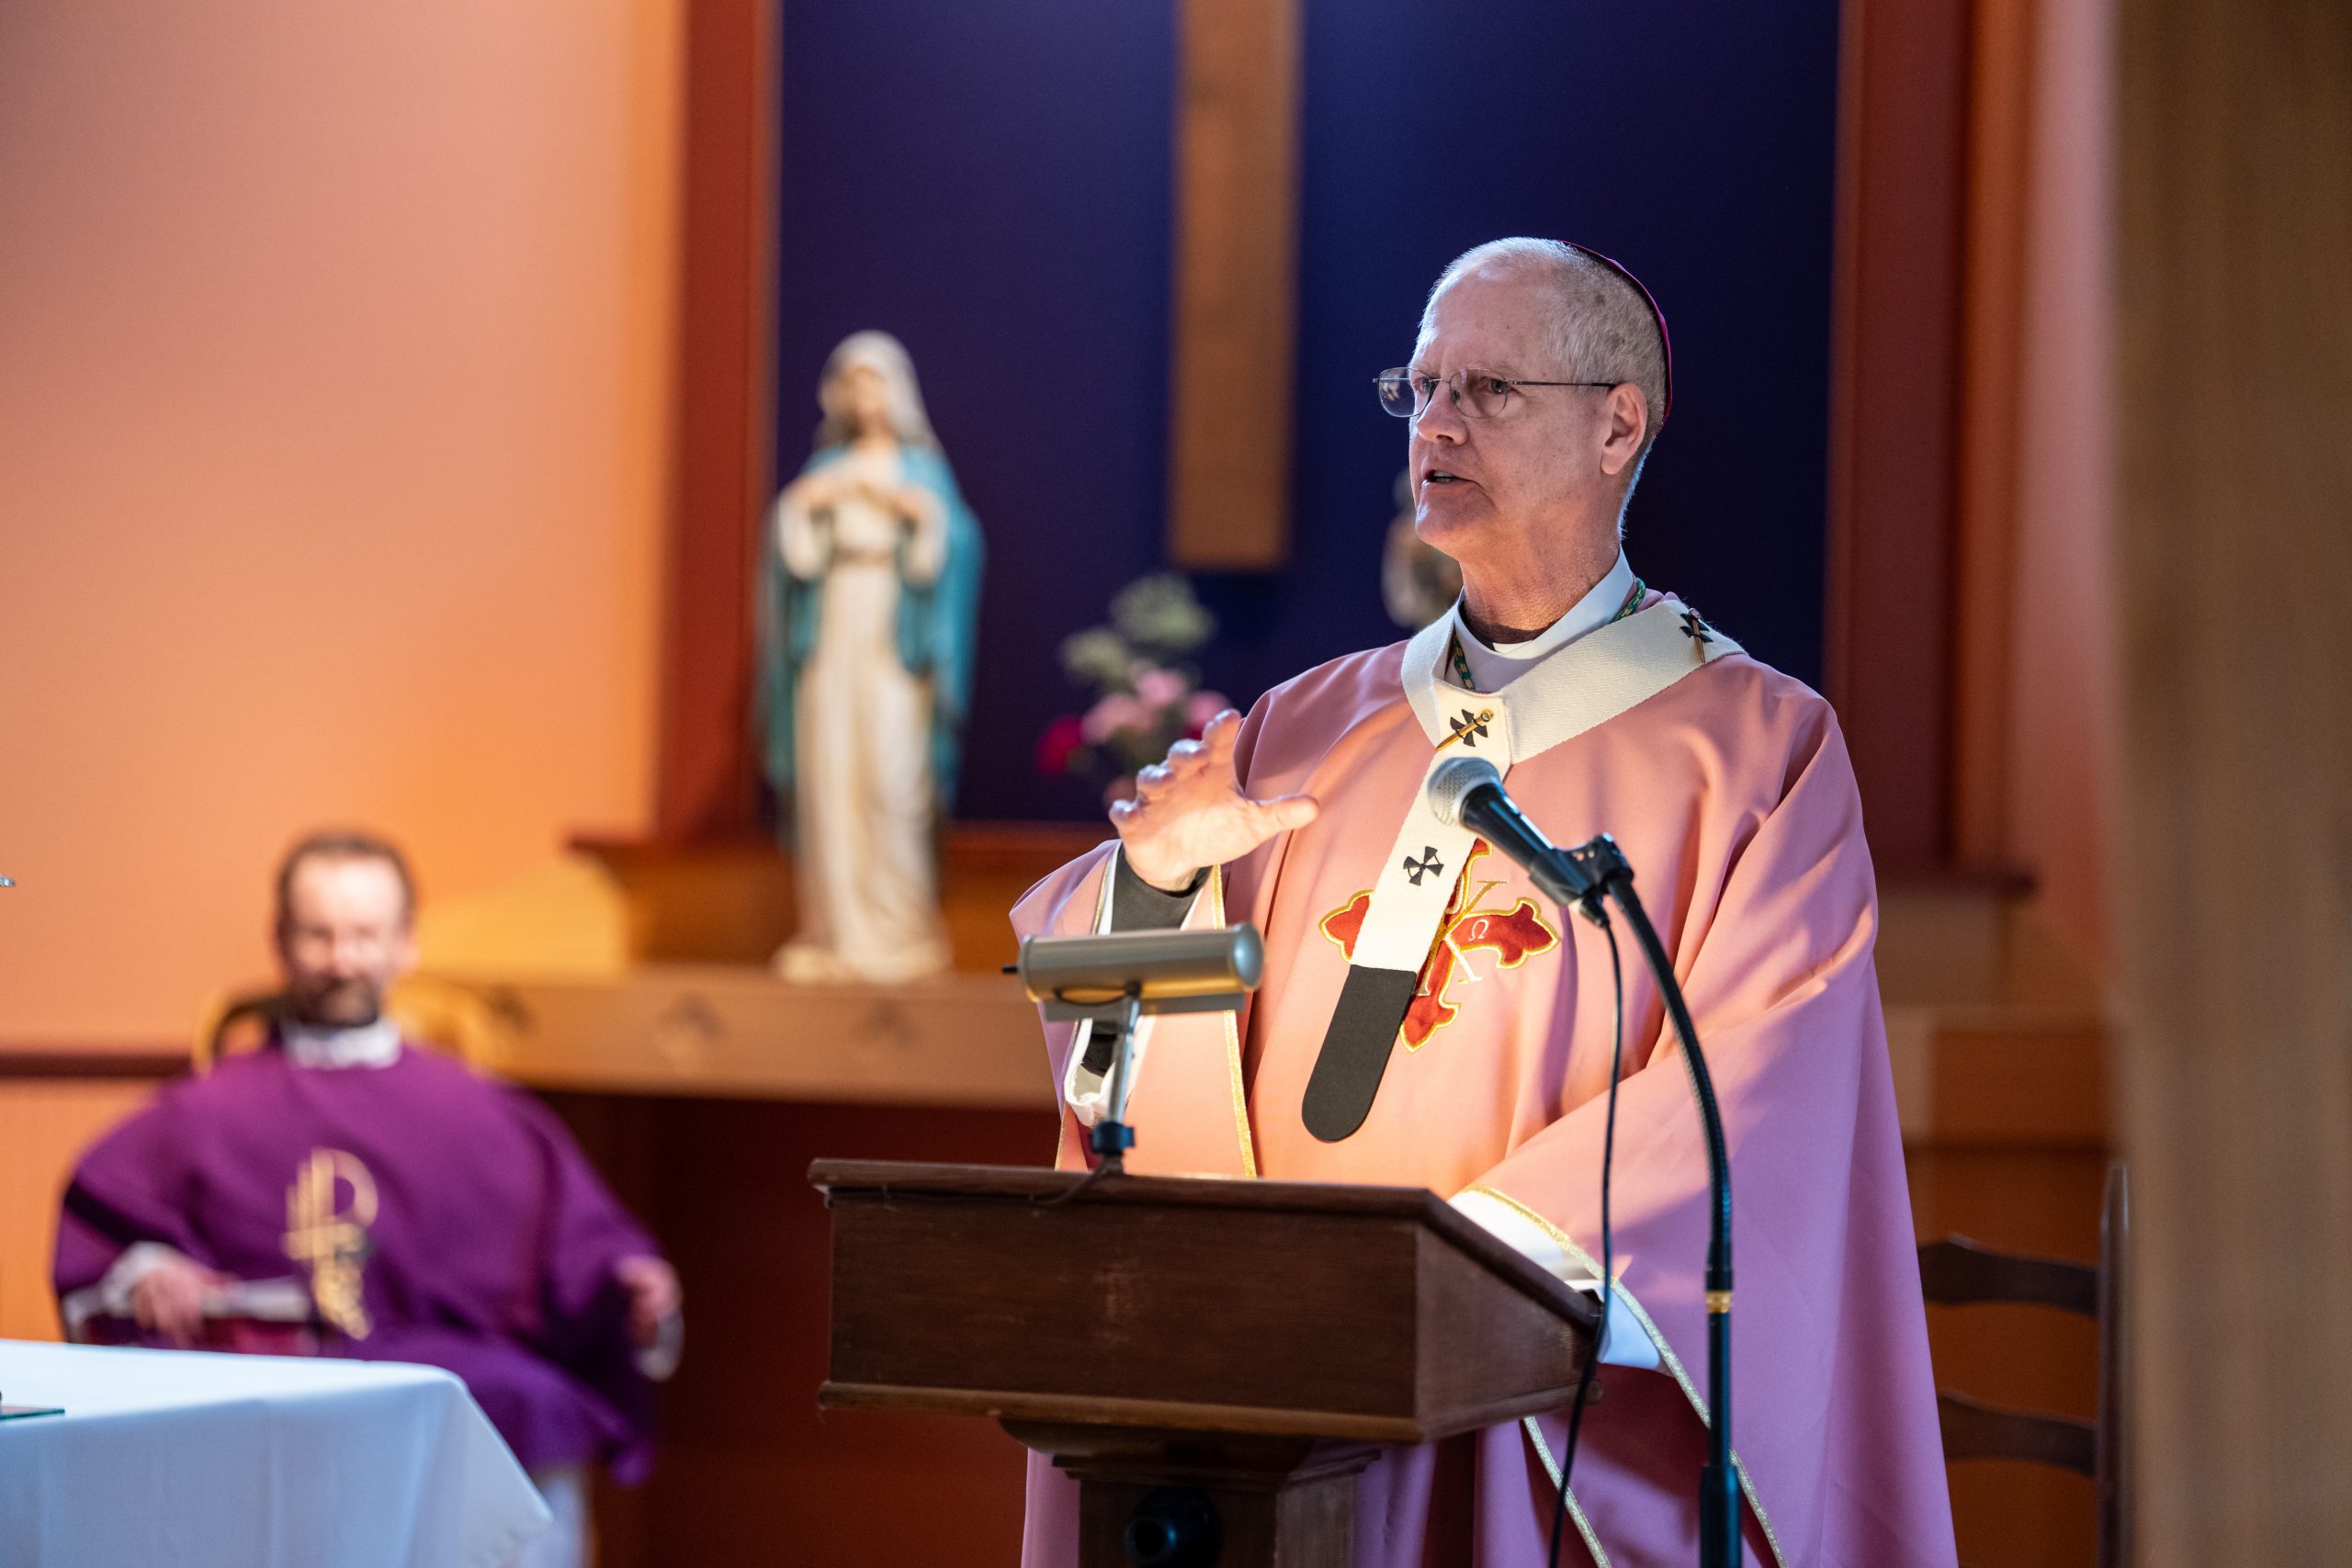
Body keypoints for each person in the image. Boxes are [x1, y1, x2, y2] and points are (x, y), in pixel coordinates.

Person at [1012, 239, 1957, 1566]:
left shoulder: (1759, 752)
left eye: (1490, 389)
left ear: (1618, 423)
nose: (1437, 423)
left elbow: (1758, 1090)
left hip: (1529, 1415)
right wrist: (1160, 875)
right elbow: (1115, 1081)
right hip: (1265, 1408)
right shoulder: (1305, 724)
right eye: (1421, 387)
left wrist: (1451, 1285)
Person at [55, 831, 682, 1568]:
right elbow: (107, 1225)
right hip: (271, 1389)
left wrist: (635, 1285)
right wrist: (147, 1267)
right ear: (280, 940)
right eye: (319, 935)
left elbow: (587, 1249)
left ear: (405, 944)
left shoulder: (486, 1115)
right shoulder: (200, 1113)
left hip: (458, 1384)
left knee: (536, 1413)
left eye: (363, 935)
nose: (343, 960)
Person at [760, 329, 985, 985]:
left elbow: (950, 552)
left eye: (877, 380)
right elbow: (796, 556)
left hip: (893, 637)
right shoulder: (825, 472)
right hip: (832, 638)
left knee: (890, 778)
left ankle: (897, 925)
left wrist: (922, 516)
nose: (866, 395)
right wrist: (799, 509)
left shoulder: (923, 473)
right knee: (833, 774)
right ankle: (833, 928)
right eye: (854, 382)